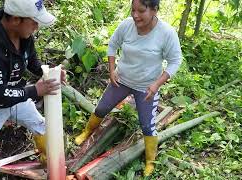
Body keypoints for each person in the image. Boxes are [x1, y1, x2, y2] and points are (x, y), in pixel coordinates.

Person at [0, 0, 66, 179]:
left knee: (42, 127)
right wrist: (35, 90)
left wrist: (49, 73)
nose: (37, 27)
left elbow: (31, 61)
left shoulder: (24, 36)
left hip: (17, 96)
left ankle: (49, 163)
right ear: (16, 19)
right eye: (34, 22)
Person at [75, 0, 182, 176]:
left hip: (146, 87)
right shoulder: (126, 25)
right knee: (101, 108)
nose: (135, 15)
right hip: (122, 80)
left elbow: (175, 61)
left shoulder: (166, 33)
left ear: (155, 10)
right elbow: (112, 44)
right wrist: (111, 70)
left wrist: (156, 84)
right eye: (133, 10)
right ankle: (86, 132)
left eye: (141, 11)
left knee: (147, 126)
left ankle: (150, 161)